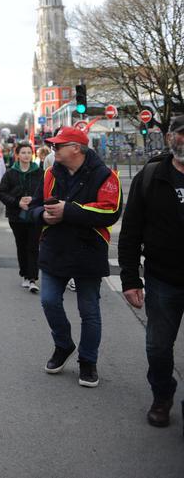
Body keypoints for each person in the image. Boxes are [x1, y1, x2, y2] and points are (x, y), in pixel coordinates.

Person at [30, 126, 121, 388]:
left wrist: (67, 211)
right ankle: (63, 344)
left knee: (89, 311)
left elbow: (110, 212)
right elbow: (36, 206)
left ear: (76, 149)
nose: (54, 149)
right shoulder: (49, 173)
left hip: (88, 251)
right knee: (49, 302)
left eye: (59, 145)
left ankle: (88, 361)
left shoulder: (106, 175)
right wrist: (41, 215)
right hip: (54, 249)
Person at [118, 114, 184, 427]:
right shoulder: (152, 176)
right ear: (169, 138)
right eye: (180, 133)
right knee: (158, 348)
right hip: (163, 279)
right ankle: (162, 394)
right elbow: (130, 231)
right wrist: (130, 279)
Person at [0, 141, 44, 293]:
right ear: (17, 155)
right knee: (22, 245)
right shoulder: (10, 173)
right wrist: (18, 202)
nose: (26, 155)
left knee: (33, 245)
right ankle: (24, 273)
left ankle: (32, 278)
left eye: (29, 153)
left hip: (35, 214)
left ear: (33, 154)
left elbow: (46, 191)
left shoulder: (40, 172)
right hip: (16, 216)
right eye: (23, 152)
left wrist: (33, 200)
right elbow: (2, 193)